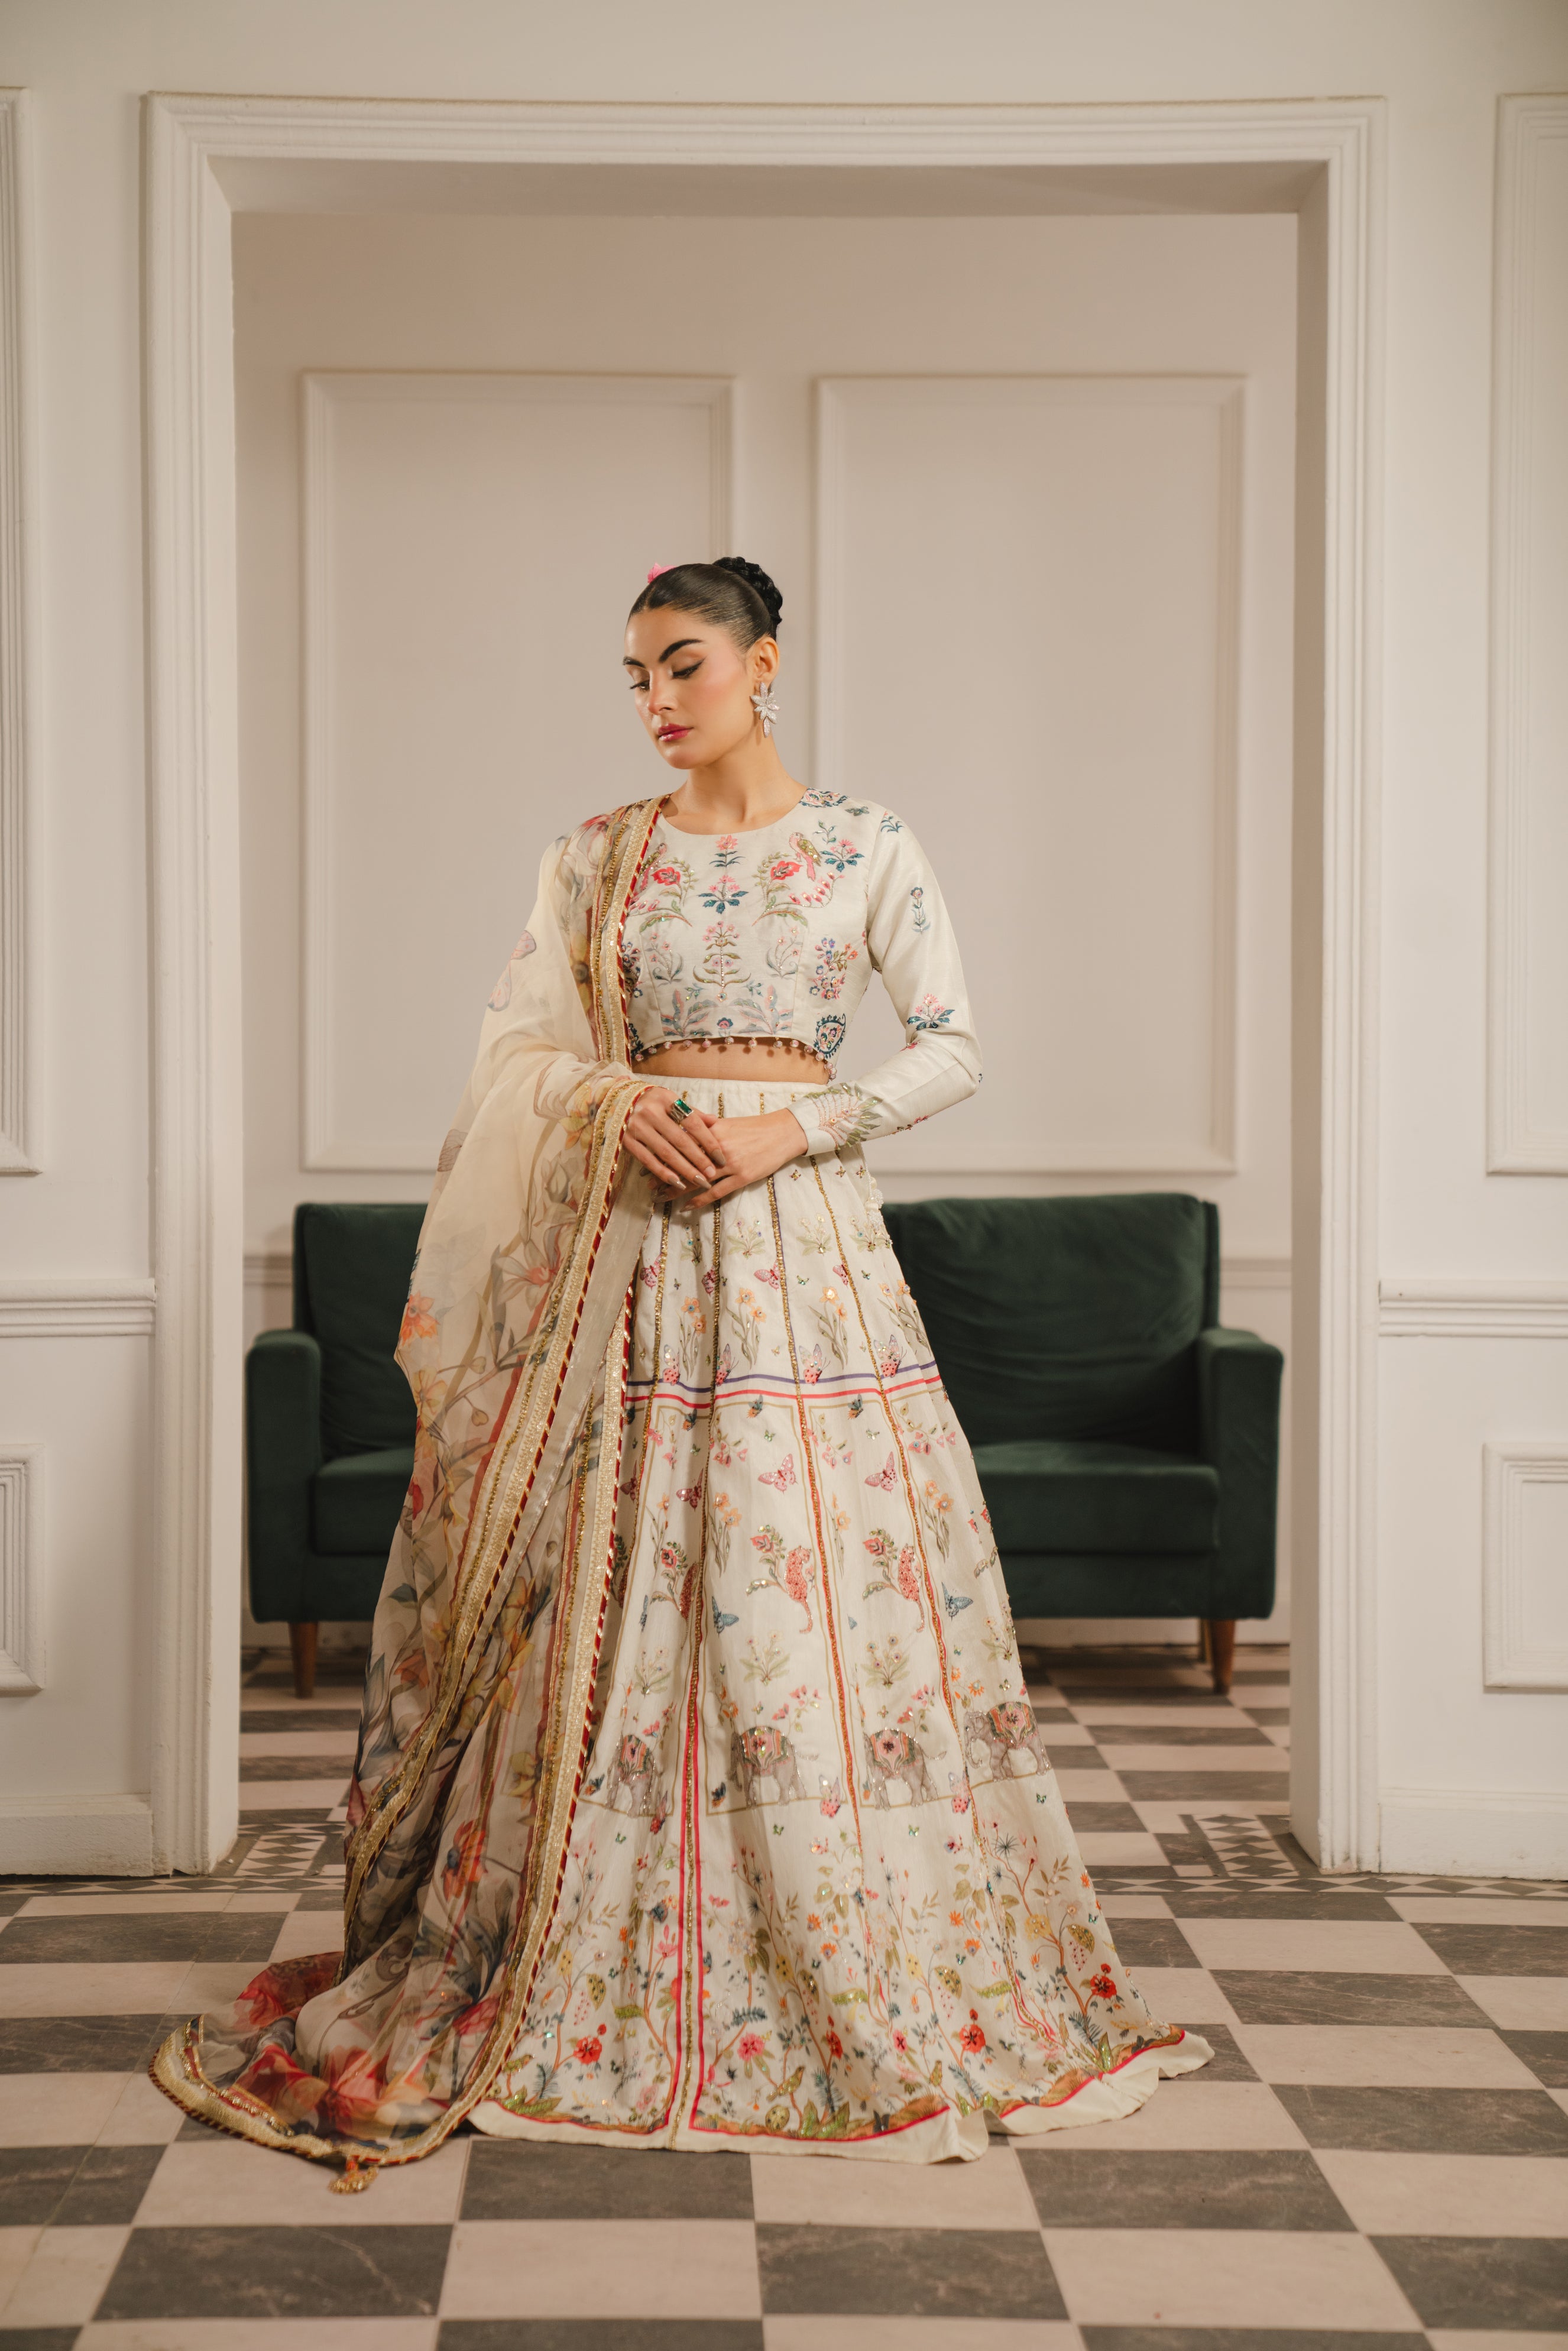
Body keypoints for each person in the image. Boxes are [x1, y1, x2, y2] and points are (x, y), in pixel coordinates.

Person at [154, 556, 1212, 2185]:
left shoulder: (864, 843)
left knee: (806, 1586)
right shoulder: (595, 858)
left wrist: (798, 1126)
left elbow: (953, 1046)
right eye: (637, 674)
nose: (657, 699)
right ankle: (595, 1949)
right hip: (631, 1257)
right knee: (618, 1576)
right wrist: (611, 1102)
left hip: (805, 1259)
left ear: (763, 663)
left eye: (685, 664)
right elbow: (520, 1050)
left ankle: (838, 1938)